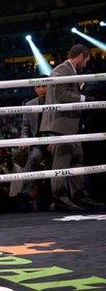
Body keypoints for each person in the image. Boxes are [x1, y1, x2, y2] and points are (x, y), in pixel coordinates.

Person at [40, 44, 102, 211]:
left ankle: (79, 194)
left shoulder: (70, 71)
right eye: (87, 59)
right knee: (62, 160)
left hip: (69, 123)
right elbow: (61, 94)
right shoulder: (62, 69)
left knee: (77, 158)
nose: (87, 63)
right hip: (61, 123)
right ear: (81, 56)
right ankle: (59, 196)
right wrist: (83, 99)